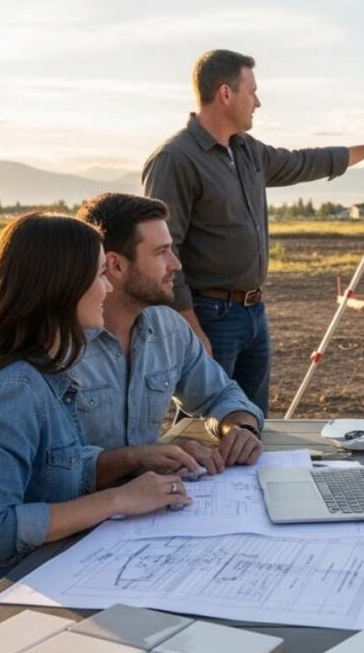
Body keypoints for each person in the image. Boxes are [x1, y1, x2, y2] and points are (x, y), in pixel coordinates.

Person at [0, 213, 192, 642]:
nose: (109, 288)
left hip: (36, 581)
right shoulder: (13, 391)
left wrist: (135, 460)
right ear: (60, 286)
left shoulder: (48, 375)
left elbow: (53, 471)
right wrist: (119, 499)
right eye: (99, 275)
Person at [143, 49, 364, 415]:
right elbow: (162, 251)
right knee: (205, 428)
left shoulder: (248, 151)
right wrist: (190, 326)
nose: (258, 102)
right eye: (252, 92)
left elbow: (302, 162)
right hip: (209, 316)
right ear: (225, 94)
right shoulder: (175, 159)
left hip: (253, 313)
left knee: (251, 424)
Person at [74, 192, 263, 472]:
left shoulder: (169, 328)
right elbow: (52, 470)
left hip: (153, 503)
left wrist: (239, 426)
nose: (176, 264)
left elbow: (219, 394)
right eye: (161, 252)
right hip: (85, 512)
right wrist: (143, 458)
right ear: (116, 265)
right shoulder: (58, 347)